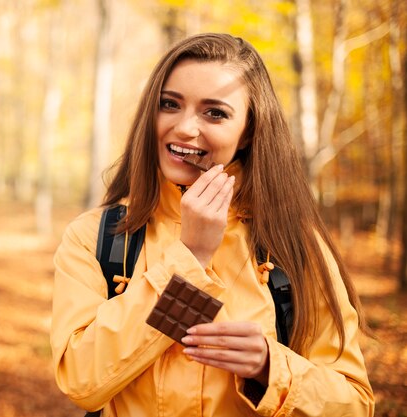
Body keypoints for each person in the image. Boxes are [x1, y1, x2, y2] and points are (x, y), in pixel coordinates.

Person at [50, 33, 374, 416]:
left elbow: (355, 404)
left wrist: (271, 368)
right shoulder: (96, 237)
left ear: (250, 129)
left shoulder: (295, 244)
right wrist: (190, 258)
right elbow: (80, 381)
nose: (185, 127)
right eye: (169, 104)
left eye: (214, 112)